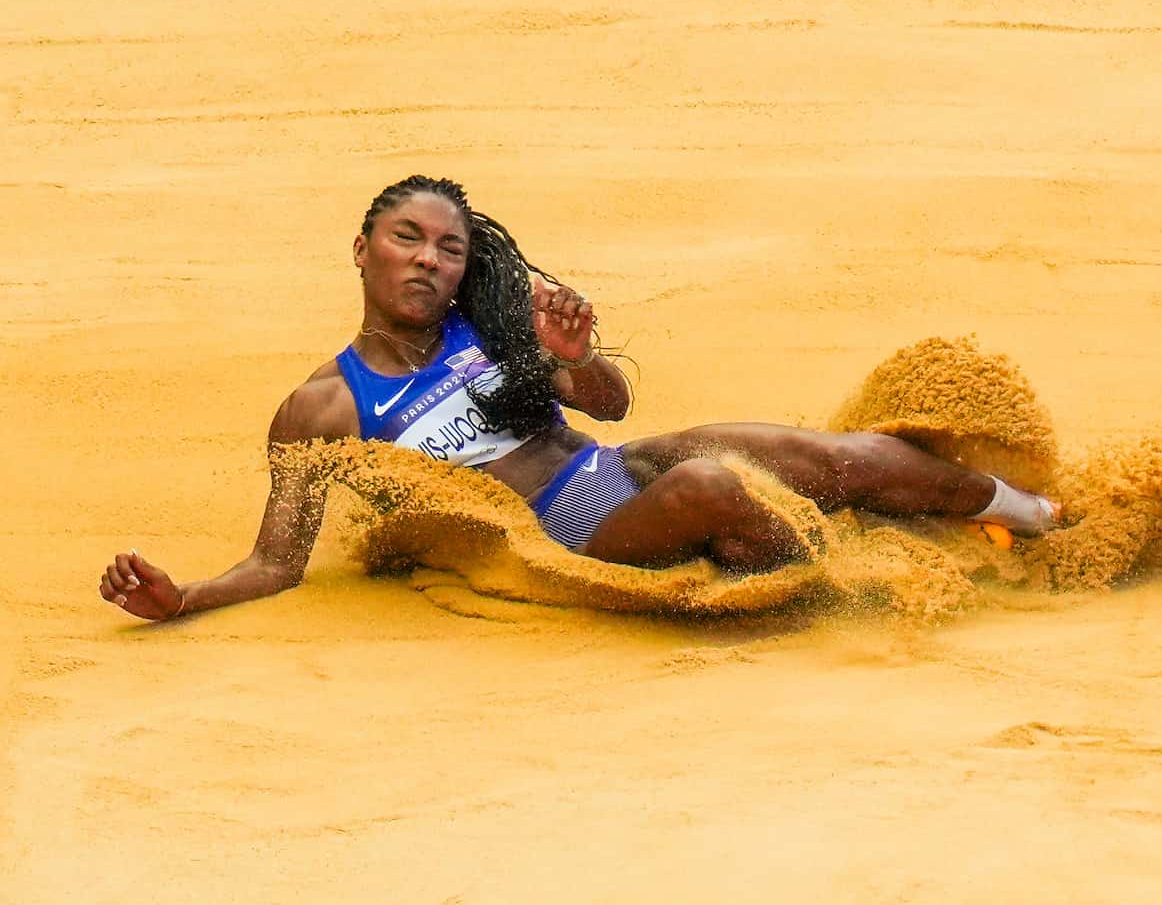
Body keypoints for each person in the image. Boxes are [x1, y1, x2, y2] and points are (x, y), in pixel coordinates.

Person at [99, 175, 1058, 621]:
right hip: (562, 533)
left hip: (611, 472)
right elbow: (276, 560)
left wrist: (574, 354)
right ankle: (845, 564)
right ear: (363, 250)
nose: (428, 260)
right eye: (406, 238)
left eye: (450, 248)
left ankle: (1037, 515)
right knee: (716, 485)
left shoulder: (488, 329)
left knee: (807, 448)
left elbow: (606, 405)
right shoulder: (323, 410)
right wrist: (182, 599)